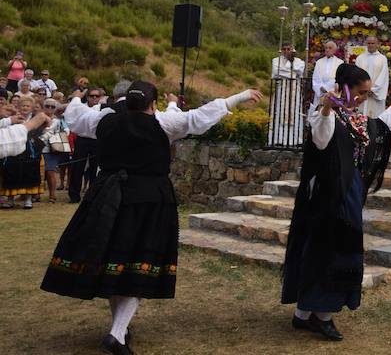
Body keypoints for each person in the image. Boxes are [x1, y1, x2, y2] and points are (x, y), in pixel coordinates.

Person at [41, 81, 261, 354]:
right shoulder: (163, 123)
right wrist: (238, 97)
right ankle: (117, 333)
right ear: (152, 104)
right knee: (137, 265)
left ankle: (118, 329)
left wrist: (75, 98)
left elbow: (76, 117)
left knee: (114, 263)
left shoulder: (104, 120)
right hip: (148, 200)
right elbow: (198, 117)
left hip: (106, 198)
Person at [281, 64, 391, 341]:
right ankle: (322, 316)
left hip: (349, 192)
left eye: (368, 93)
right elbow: (321, 140)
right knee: (331, 250)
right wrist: (326, 108)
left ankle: (304, 314)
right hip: (331, 197)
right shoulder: (327, 117)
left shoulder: (355, 119)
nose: (364, 97)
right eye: (360, 92)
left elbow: (378, 127)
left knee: (328, 249)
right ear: (344, 87)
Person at [0, 95, 45, 209]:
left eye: (27, 105)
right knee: (11, 173)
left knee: (29, 174)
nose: (25, 107)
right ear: (18, 107)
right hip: (13, 150)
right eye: (23, 105)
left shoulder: (36, 118)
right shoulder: (12, 118)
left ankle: (28, 199)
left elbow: (41, 132)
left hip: (30, 151)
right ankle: (10, 200)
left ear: (32, 107)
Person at [69, 87, 104, 203]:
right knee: (77, 168)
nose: (94, 98)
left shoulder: (103, 109)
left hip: (96, 140)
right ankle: (74, 195)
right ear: (87, 97)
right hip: (82, 139)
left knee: (95, 169)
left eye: (97, 96)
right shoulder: (80, 108)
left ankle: (93, 195)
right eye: (91, 96)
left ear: (100, 97)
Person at [271, 43, 305, 147]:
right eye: (284, 49)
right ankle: (279, 139)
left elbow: (299, 71)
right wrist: (292, 73)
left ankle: (294, 140)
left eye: (288, 49)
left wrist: (290, 68)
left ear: (292, 50)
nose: (286, 51)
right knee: (279, 113)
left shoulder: (299, 61)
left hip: (294, 90)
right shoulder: (276, 60)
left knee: (294, 113)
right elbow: (275, 72)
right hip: (282, 90)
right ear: (281, 50)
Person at [39, 98, 67, 203]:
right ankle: (36, 194)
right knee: (38, 173)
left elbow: (49, 132)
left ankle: (52, 195)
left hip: (51, 149)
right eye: (47, 106)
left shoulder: (57, 121)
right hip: (38, 150)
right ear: (43, 107)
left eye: (52, 107)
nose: (50, 108)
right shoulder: (38, 118)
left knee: (50, 172)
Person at [355, 36, 390, 118]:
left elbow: (383, 77)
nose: (370, 45)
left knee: (375, 118)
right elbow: (356, 75)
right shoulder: (360, 58)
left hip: (375, 95)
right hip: (362, 93)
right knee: (360, 116)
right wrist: (363, 89)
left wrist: (373, 90)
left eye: (373, 43)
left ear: (377, 44)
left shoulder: (382, 59)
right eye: (369, 43)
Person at [309, 41, 341, 117]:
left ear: (335, 50)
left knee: (330, 115)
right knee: (318, 115)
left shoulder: (340, 62)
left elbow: (338, 79)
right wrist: (320, 88)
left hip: (332, 93)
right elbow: (316, 78)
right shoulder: (319, 62)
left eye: (330, 48)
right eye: (326, 48)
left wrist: (327, 90)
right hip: (320, 93)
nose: (327, 50)